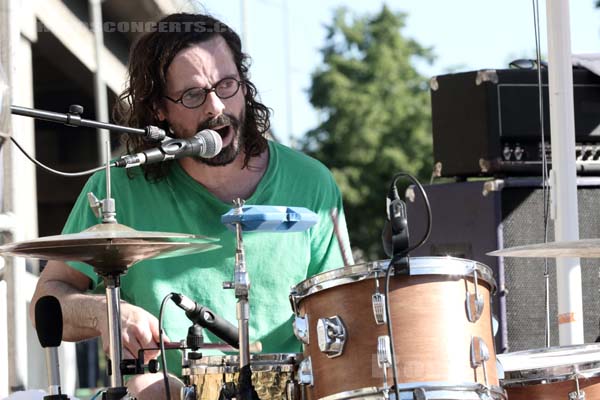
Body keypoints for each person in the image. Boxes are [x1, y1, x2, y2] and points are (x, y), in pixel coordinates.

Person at [29, 12, 352, 399]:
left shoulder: (310, 183)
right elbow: (45, 304)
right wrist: (105, 313)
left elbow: (343, 320)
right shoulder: (117, 188)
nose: (217, 107)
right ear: (158, 110)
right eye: (194, 95)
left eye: (227, 85)